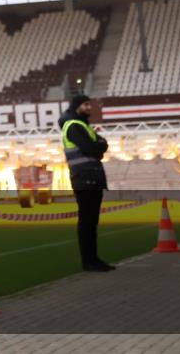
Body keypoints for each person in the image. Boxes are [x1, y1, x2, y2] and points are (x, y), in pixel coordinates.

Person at [59, 94, 114, 272]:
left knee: (91, 221)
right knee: (87, 221)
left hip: (90, 177)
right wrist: (98, 148)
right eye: (86, 104)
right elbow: (93, 148)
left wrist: (98, 147)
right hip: (85, 177)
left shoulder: (82, 125)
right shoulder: (74, 126)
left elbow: (102, 144)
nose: (89, 107)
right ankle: (89, 261)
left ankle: (93, 259)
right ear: (77, 107)